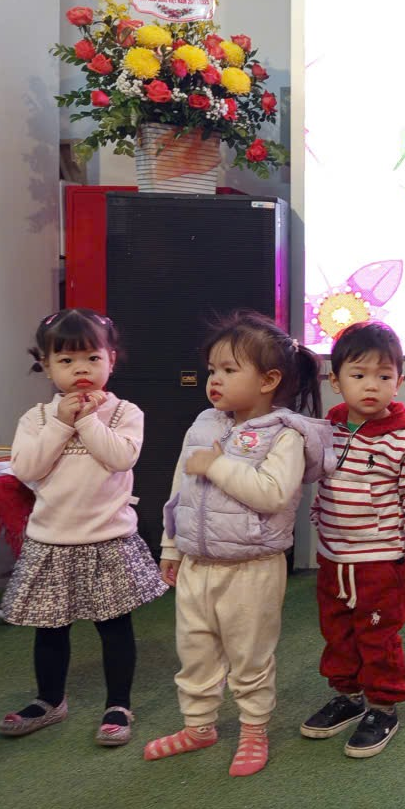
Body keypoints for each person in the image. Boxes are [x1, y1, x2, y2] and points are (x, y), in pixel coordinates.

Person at [143, 312, 333, 777]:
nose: (215, 379)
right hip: (197, 563)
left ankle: (253, 730)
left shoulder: (285, 435)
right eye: (213, 369)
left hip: (252, 566)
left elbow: (272, 494)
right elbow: (180, 489)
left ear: (269, 380)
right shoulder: (204, 425)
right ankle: (199, 726)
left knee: (249, 655)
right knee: (195, 650)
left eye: (229, 370)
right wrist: (171, 547)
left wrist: (217, 466)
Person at [0, 309, 166, 745]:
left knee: (114, 627)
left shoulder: (124, 412)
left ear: (111, 359)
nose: (81, 370)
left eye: (92, 358)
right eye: (66, 360)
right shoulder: (37, 418)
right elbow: (26, 469)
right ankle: (50, 700)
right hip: (51, 541)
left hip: (107, 540)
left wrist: (87, 420)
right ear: (47, 365)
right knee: (50, 628)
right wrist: (61, 423)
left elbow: (120, 458)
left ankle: (118, 704)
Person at [300, 321, 405, 758]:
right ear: (335, 380)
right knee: (337, 632)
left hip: (380, 561)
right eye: (358, 374)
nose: (371, 386)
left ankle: (383, 705)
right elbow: (319, 481)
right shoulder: (328, 429)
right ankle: (348, 696)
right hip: (334, 558)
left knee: (377, 636)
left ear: (399, 381)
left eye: (384, 376)